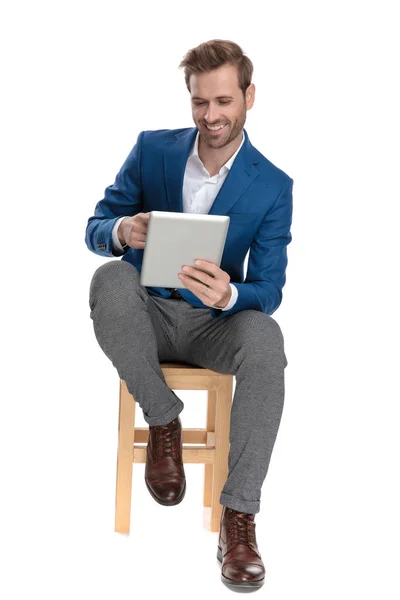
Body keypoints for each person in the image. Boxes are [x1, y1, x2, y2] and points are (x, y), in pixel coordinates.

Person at [85, 39, 293, 590]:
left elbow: (270, 288)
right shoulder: (152, 149)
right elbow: (95, 226)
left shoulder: (273, 185)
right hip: (143, 314)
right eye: (201, 103)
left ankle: (239, 518)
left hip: (213, 325)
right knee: (110, 278)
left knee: (266, 338)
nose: (212, 116)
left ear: (249, 97)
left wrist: (231, 296)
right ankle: (162, 418)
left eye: (224, 102)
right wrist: (121, 230)